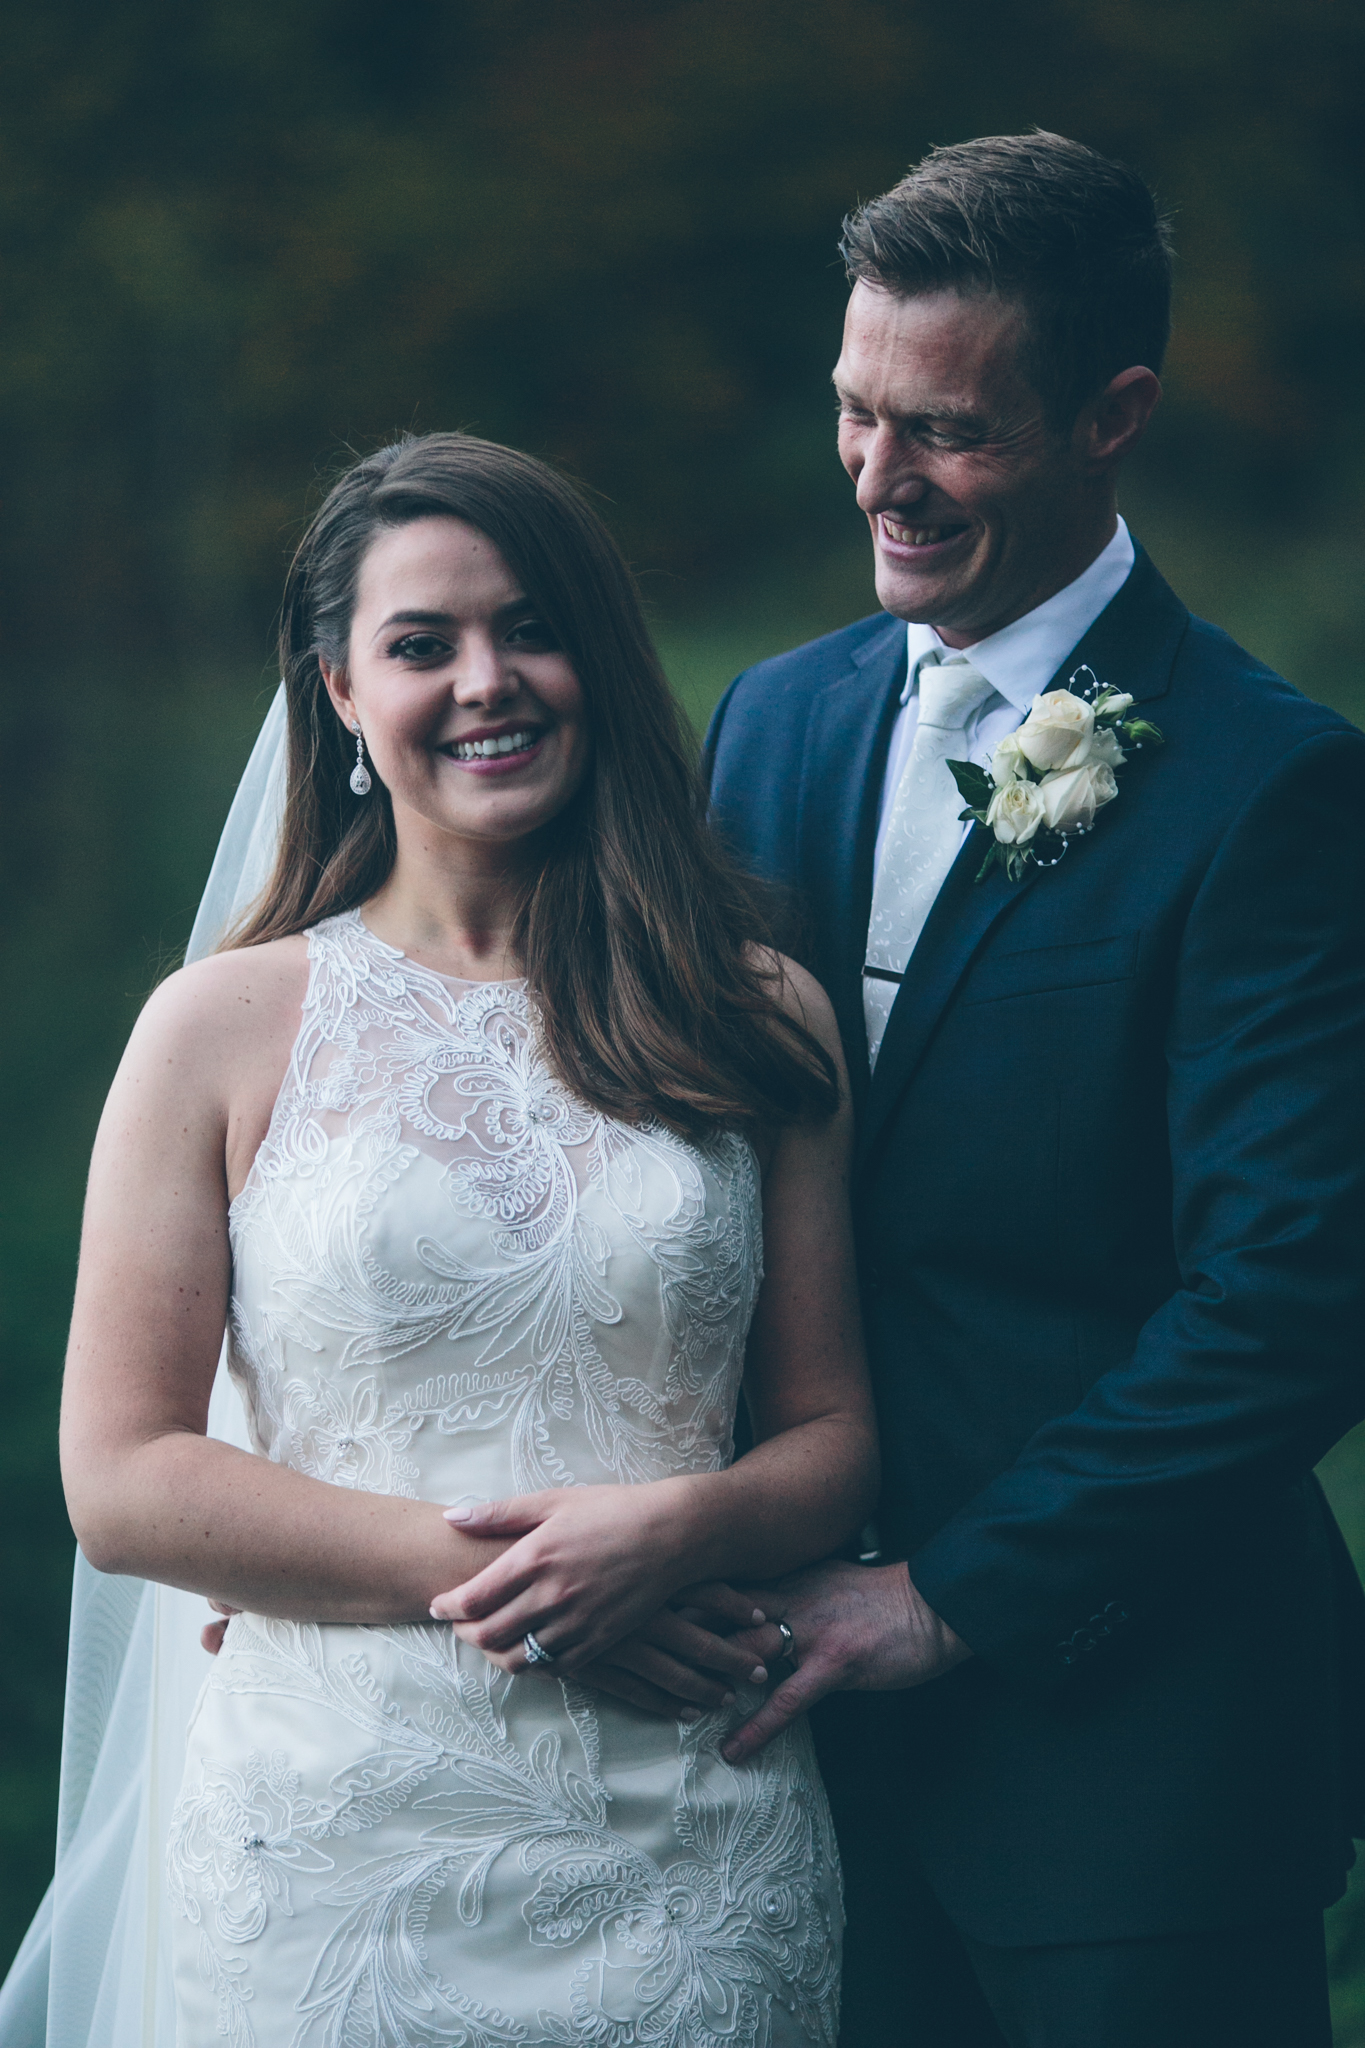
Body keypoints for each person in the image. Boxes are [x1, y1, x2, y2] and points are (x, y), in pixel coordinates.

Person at [45, 432, 878, 2045]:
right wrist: (556, 1583)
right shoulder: (218, 1026)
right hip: (333, 1841)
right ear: (342, 694)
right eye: (422, 646)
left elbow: (835, 1437)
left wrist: (676, 1533)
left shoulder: (753, 1012)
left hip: (692, 1838)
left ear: (595, 659)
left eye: (529, 627)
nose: (485, 680)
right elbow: (125, 1477)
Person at [703, 133, 1365, 2046]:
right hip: (774, 1759)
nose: (878, 480)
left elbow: (1292, 1299)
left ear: (1111, 417)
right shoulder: (774, 717)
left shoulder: (1274, 789)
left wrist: (949, 1596)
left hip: (1129, 1763)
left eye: (949, 432)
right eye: (850, 413)